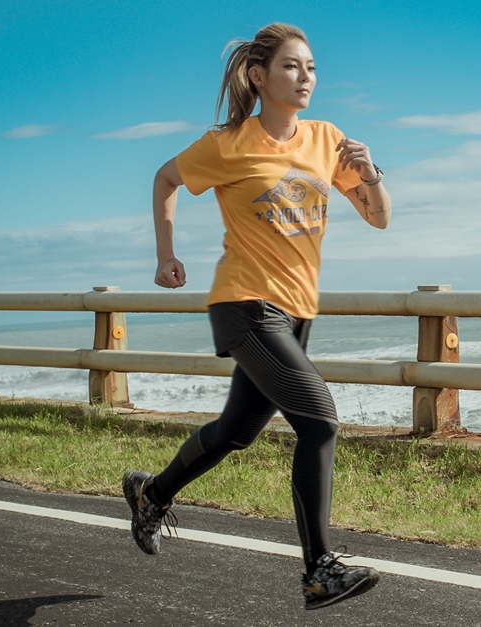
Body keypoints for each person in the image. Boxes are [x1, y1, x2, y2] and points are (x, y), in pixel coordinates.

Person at [121, 22, 390, 611]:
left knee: (236, 434)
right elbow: (166, 178)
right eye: (293, 67)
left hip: (296, 312)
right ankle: (319, 570)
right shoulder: (228, 144)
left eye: (312, 67)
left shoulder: (326, 139)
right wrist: (165, 254)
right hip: (244, 305)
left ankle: (151, 494)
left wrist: (370, 174)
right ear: (258, 76)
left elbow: (379, 218)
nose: (306, 78)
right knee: (319, 419)